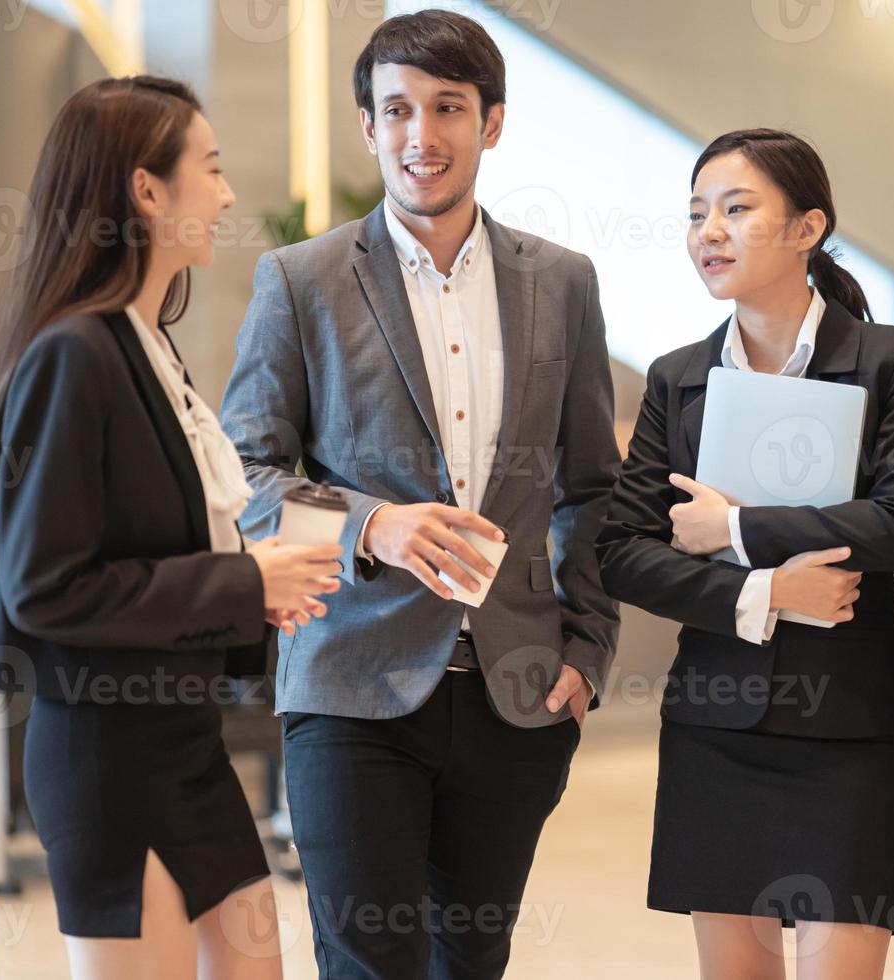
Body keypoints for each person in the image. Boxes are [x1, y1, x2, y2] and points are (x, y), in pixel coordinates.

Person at [218, 10, 620, 979]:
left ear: (492, 123)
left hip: (516, 694)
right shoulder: (300, 280)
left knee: (472, 959)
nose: (420, 135)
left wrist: (588, 650)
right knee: (367, 960)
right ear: (367, 126)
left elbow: (593, 485)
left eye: (447, 107)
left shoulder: (563, 282)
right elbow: (246, 479)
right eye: (396, 109)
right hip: (351, 682)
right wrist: (373, 526)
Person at [0, 76, 342, 978]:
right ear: (146, 189)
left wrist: (259, 576)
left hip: (184, 743)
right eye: (208, 169)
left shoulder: (146, 344)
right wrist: (246, 584)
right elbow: (48, 586)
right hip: (108, 756)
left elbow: (157, 550)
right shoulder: (75, 354)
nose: (227, 194)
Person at [595, 128, 894, 980]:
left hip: (850, 731)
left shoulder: (891, 360)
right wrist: (767, 592)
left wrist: (737, 533)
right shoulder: (678, 378)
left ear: (807, 227)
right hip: (716, 724)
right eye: (696, 213)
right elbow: (621, 550)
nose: (708, 230)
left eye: (736, 208)